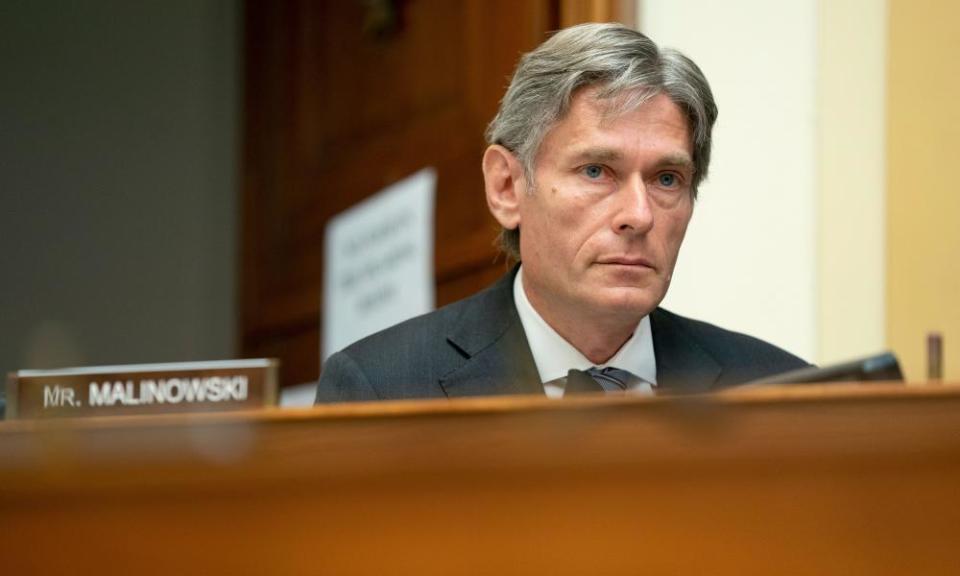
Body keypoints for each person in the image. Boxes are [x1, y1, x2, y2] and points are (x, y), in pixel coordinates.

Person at [315, 23, 808, 403]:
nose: (638, 216)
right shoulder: (382, 387)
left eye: (666, 179)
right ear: (507, 187)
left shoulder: (780, 392)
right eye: (596, 171)